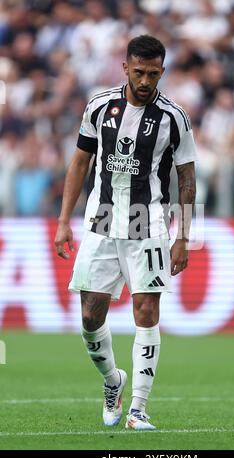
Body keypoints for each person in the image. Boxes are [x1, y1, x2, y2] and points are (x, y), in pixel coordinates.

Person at [54, 35, 197, 430]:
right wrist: (64, 220)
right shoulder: (99, 107)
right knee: (89, 315)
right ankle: (113, 380)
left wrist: (182, 236)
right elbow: (80, 163)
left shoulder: (174, 118)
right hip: (101, 221)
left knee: (146, 311)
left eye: (154, 73)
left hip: (147, 223)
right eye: (139, 72)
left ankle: (138, 409)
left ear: (162, 71)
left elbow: (187, 179)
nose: (146, 80)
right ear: (125, 68)